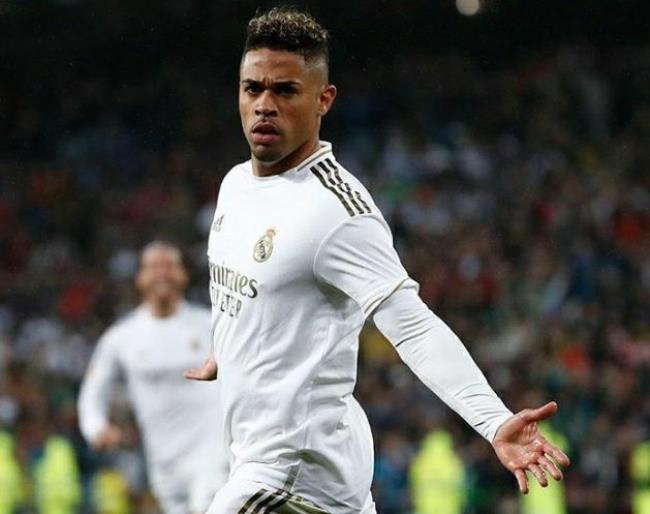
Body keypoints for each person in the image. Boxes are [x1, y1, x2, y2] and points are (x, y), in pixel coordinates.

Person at [185, 8, 570, 513]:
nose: (264, 105)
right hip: (298, 470)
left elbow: (413, 326)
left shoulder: (336, 212)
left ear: (324, 100)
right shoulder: (236, 185)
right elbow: (254, 287)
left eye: (285, 91)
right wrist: (231, 349)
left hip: (295, 472)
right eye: (252, 88)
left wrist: (494, 420)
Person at [79, 241, 226, 514]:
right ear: (140, 278)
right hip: (162, 461)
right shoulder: (121, 337)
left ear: (183, 275)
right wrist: (96, 428)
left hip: (212, 451)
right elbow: (93, 393)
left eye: (169, 265)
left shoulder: (211, 325)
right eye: (153, 266)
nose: (162, 273)